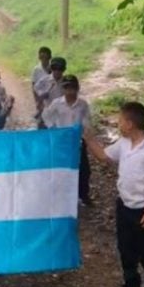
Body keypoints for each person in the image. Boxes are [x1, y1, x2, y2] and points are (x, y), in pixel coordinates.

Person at [83, 102, 144, 287]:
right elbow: (103, 156)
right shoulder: (123, 143)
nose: (117, 123)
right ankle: (131, 285)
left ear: (130, 124)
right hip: (124, 207)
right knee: (125, 248)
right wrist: (89, 138)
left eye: (120, 120)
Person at [42, 75, 92, 205]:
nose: (70, 92)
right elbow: (46, 115)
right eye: (67, 89)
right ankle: (61, 197)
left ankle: (83, 195)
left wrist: (85, 132)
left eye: (73, 89)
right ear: (63, 89)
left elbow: (87, 120)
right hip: (61, 142)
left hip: (77, 142)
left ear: (77, 89)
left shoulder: (82, 104)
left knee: (84, 170)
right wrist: (52, 128)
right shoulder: (57, 103)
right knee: (62, 168)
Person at [34, 56, 67, 129]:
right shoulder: (45, 80)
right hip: (48, 112)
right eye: (55, 68)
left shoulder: (66, 82)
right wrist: (41, 94)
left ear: (64, 69)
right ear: (51, 68)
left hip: (62, 113)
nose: (57, 71)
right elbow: (36, 87)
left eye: (60, 69)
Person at [31, 46, 52, 119]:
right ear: (39, 57)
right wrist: (37, 101)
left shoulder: (54, 69)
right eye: (42, 57)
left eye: (46, 57)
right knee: (41, 120)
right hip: (41, 98)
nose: (44, 60)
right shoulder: (36, 70)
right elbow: (33, 86)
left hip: (52, 97)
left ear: (49, 57)